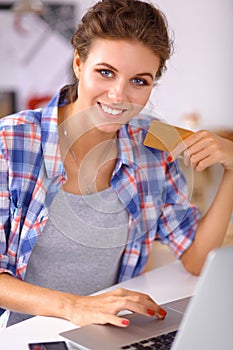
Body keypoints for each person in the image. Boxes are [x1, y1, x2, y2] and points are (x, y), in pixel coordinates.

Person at [0, 0, 233, 329]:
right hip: (27, 335)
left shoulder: (153, 144)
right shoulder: (11, 142)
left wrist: (232, 171)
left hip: (113, 330)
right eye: (106, 73)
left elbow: (197, 260)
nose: (118, 96)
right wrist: (76, 307)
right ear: (79, 63)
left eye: (139, 81)